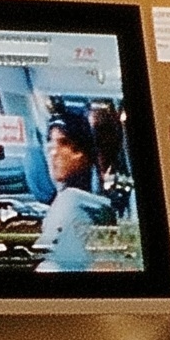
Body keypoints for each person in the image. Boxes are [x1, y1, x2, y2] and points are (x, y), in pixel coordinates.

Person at [34, 107, 117, 272]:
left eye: (64, 143)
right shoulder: (67, 203)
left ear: (85, 153)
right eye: (51, 141)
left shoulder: (72, 204)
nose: (54, 152)